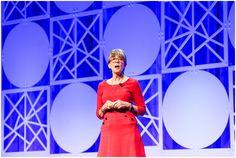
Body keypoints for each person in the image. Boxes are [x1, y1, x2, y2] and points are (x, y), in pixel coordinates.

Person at [96, 49, 146, 157]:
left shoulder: (133, 83)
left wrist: (128, 105)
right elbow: (99, 114)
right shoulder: (102, 86)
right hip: (109, 130)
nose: (117, 62)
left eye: (120, 59)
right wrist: (104, 107)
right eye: (113, 59)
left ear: (124, 64)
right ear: (109, 65)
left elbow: (142, 109)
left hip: (128, 130)